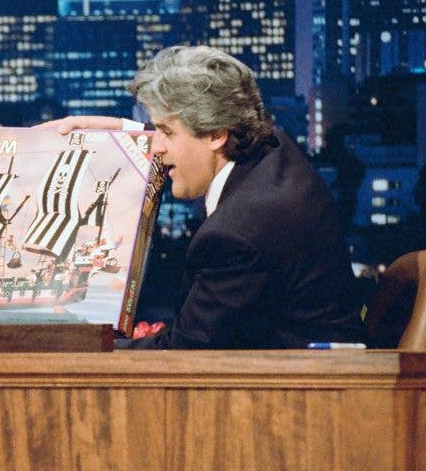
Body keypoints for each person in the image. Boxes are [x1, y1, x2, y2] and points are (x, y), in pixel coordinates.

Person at [38, 45, 365, 349]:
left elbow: (182, 351)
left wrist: (74, 348)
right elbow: (195, 129)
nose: (157, 147)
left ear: (216, 134)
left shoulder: (241, 230)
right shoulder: (270, 148)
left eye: (165, 132)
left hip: (307, 396)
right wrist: (124, 131)